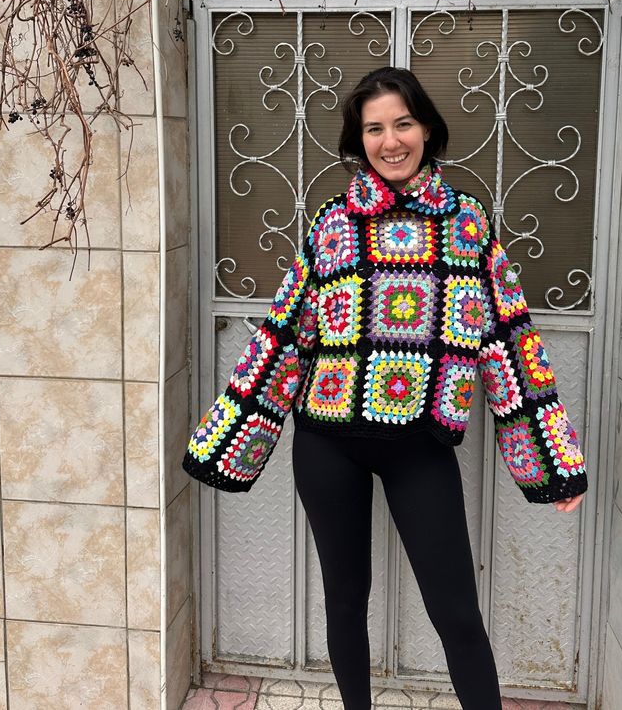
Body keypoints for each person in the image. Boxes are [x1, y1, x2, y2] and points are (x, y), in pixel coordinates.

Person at [183, 67, 587, 710]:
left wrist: (551, 457)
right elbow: (289, 330)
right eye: (374, 128)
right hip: (327, 442)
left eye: (402, 123)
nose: (390, 140)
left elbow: (509, 337)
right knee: (345, 600)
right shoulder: (332, 222)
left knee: (455, 610)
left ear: (427, 129)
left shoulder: (467, 222)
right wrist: (225, 441)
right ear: (358, 138)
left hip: (420, 447)